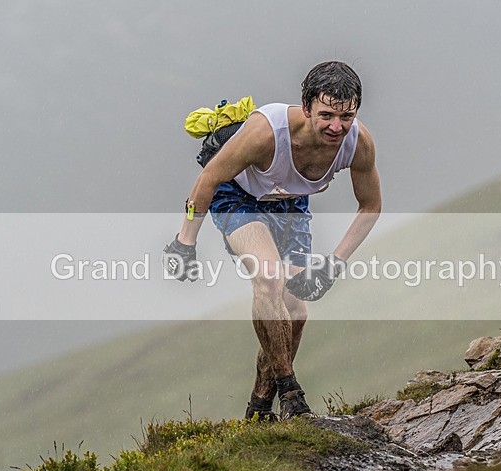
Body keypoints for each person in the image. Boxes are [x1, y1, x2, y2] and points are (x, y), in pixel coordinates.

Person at [163, 61, 382, 420]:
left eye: (346, 116)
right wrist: (184, 242)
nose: (336, 126)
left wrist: (332, 265)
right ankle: (290, 391)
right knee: (268, 278)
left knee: (296, 310)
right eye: (326, 115)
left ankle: (260, 405)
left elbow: (370, 206)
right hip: (236, 196)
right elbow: (208, 180)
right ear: (306, 106)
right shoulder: (268, 131)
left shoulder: (358, 143)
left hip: (290, 204)